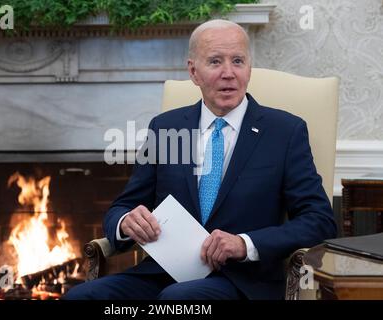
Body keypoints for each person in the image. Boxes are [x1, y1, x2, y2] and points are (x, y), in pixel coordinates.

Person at [64, 19, 337, 300]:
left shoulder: (284, 131)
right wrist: (125, 222)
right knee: (81, 297)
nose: (229, 73)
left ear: (249, 69)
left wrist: (244, 244)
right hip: (161, 275)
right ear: (194, 71)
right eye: (216, 62)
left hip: (242, 281)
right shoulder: (166, 128)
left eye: (238, 61)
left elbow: (319, 220)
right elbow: (125, 205)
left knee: (179, 300)